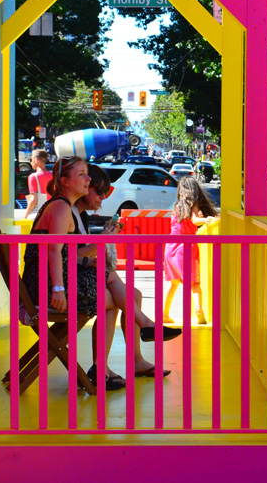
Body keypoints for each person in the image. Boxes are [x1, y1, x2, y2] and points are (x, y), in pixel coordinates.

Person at [22, 156, 180, 390]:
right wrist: (59, 289)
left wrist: (89, 260)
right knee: (117, 297)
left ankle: (121, 355)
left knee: (119, 290)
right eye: (82, 175)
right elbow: (54, 251)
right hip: (46, 287)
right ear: (65, 181)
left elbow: (65, 254)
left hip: (49, 281)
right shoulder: (61, 207)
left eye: (88, 175)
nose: (87, 180)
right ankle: (119, 352)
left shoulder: (65, 207)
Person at [74, 164, 172, 383]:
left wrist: (96, 250)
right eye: (98, 191)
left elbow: (70, 256)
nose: (102, 197)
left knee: (132, 295)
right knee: (115, 297)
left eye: (105, 193)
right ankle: (106, 364)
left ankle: (133, 359)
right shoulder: (65, 211)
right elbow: (64, 256)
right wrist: (102, 241)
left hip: (69, 279)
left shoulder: (79, 215)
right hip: (59, 287)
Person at [163, 176, 219, 325]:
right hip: (186, 247)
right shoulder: (194, 205)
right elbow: (194, 220)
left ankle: (164, 313)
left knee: (173, 283)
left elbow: (183, 223)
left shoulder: (176, 207)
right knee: (194, 284)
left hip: (170, 247)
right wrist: (207, 220)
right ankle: (199, 309)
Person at [24, 149, 53, 219]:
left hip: (40, 215)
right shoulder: (53, 175)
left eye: (31, 159)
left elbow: (34, 200)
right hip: (53, 213)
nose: (31, 162)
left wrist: (25, 216)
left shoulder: (33, 177)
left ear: (36, 160)